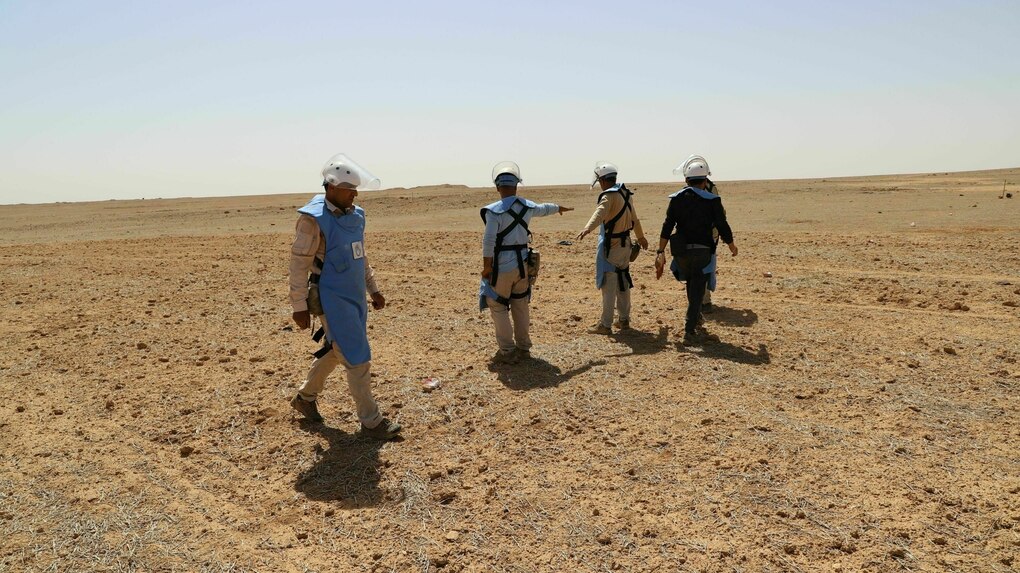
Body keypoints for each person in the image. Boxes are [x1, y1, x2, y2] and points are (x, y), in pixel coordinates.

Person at [288, 153, 402, 440]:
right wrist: (299, 306)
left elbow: (359, 255)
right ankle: (372, 422)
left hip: (354, 296)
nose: (354, 194)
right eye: (349, 189)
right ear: (331, 187)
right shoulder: (312, 220)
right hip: (331, 298)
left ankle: (305, 398)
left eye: (355, 189)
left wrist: (372, 288)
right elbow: (299, 264)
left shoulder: (356, 215)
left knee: (338, 350)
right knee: (357, 356)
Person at [479, 161, 573, 364]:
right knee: (520, 304)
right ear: (516, 185)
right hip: (523, 265)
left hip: (502, 267)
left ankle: (508, 350)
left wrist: (487, 267)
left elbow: (488, 241)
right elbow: (544, 208)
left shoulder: (494, 211)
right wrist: (559, 208)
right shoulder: (527, 207)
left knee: (497, 305)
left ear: (497, 187)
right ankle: (524, 348)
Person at [654, 155, 738, 343]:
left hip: (681, 251)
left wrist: (660, 251)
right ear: (705, 180)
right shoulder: (713, 201)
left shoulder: (676, 199)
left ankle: (696, 317)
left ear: (686, 180)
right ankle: (689, 330)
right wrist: (731, 245)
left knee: (692, 284)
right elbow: (722, 225)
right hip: (702, 251)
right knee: (698, 287)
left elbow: (667, 226)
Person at [575, 161, 649, 334]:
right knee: (623, 283)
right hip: (625, 246)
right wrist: (641, 237)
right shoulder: (626, 194)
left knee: (608, 286)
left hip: (611, 248)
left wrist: (587, 228)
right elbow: (635, 220)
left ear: (601, 180)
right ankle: (624, 320)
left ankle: (605, 325)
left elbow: (599, 213)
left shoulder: (608, 196)